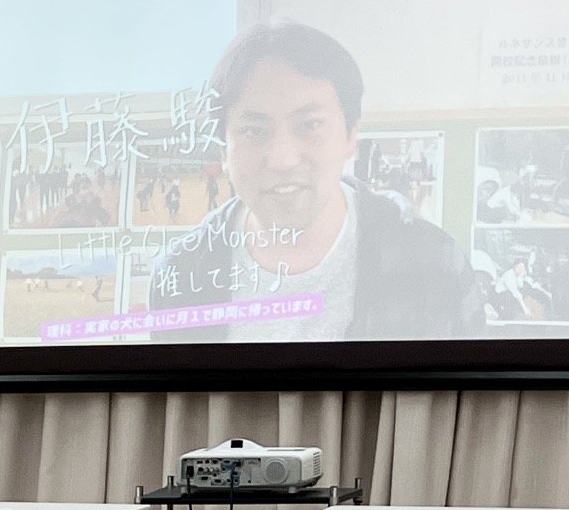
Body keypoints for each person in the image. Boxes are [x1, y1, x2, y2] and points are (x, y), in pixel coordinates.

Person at [144, 21, 483, 342]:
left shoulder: (434, 263)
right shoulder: (182, 273)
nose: (282, 159)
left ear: (351, 136)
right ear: (223, 151)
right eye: (253, 131)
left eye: (309, 125)